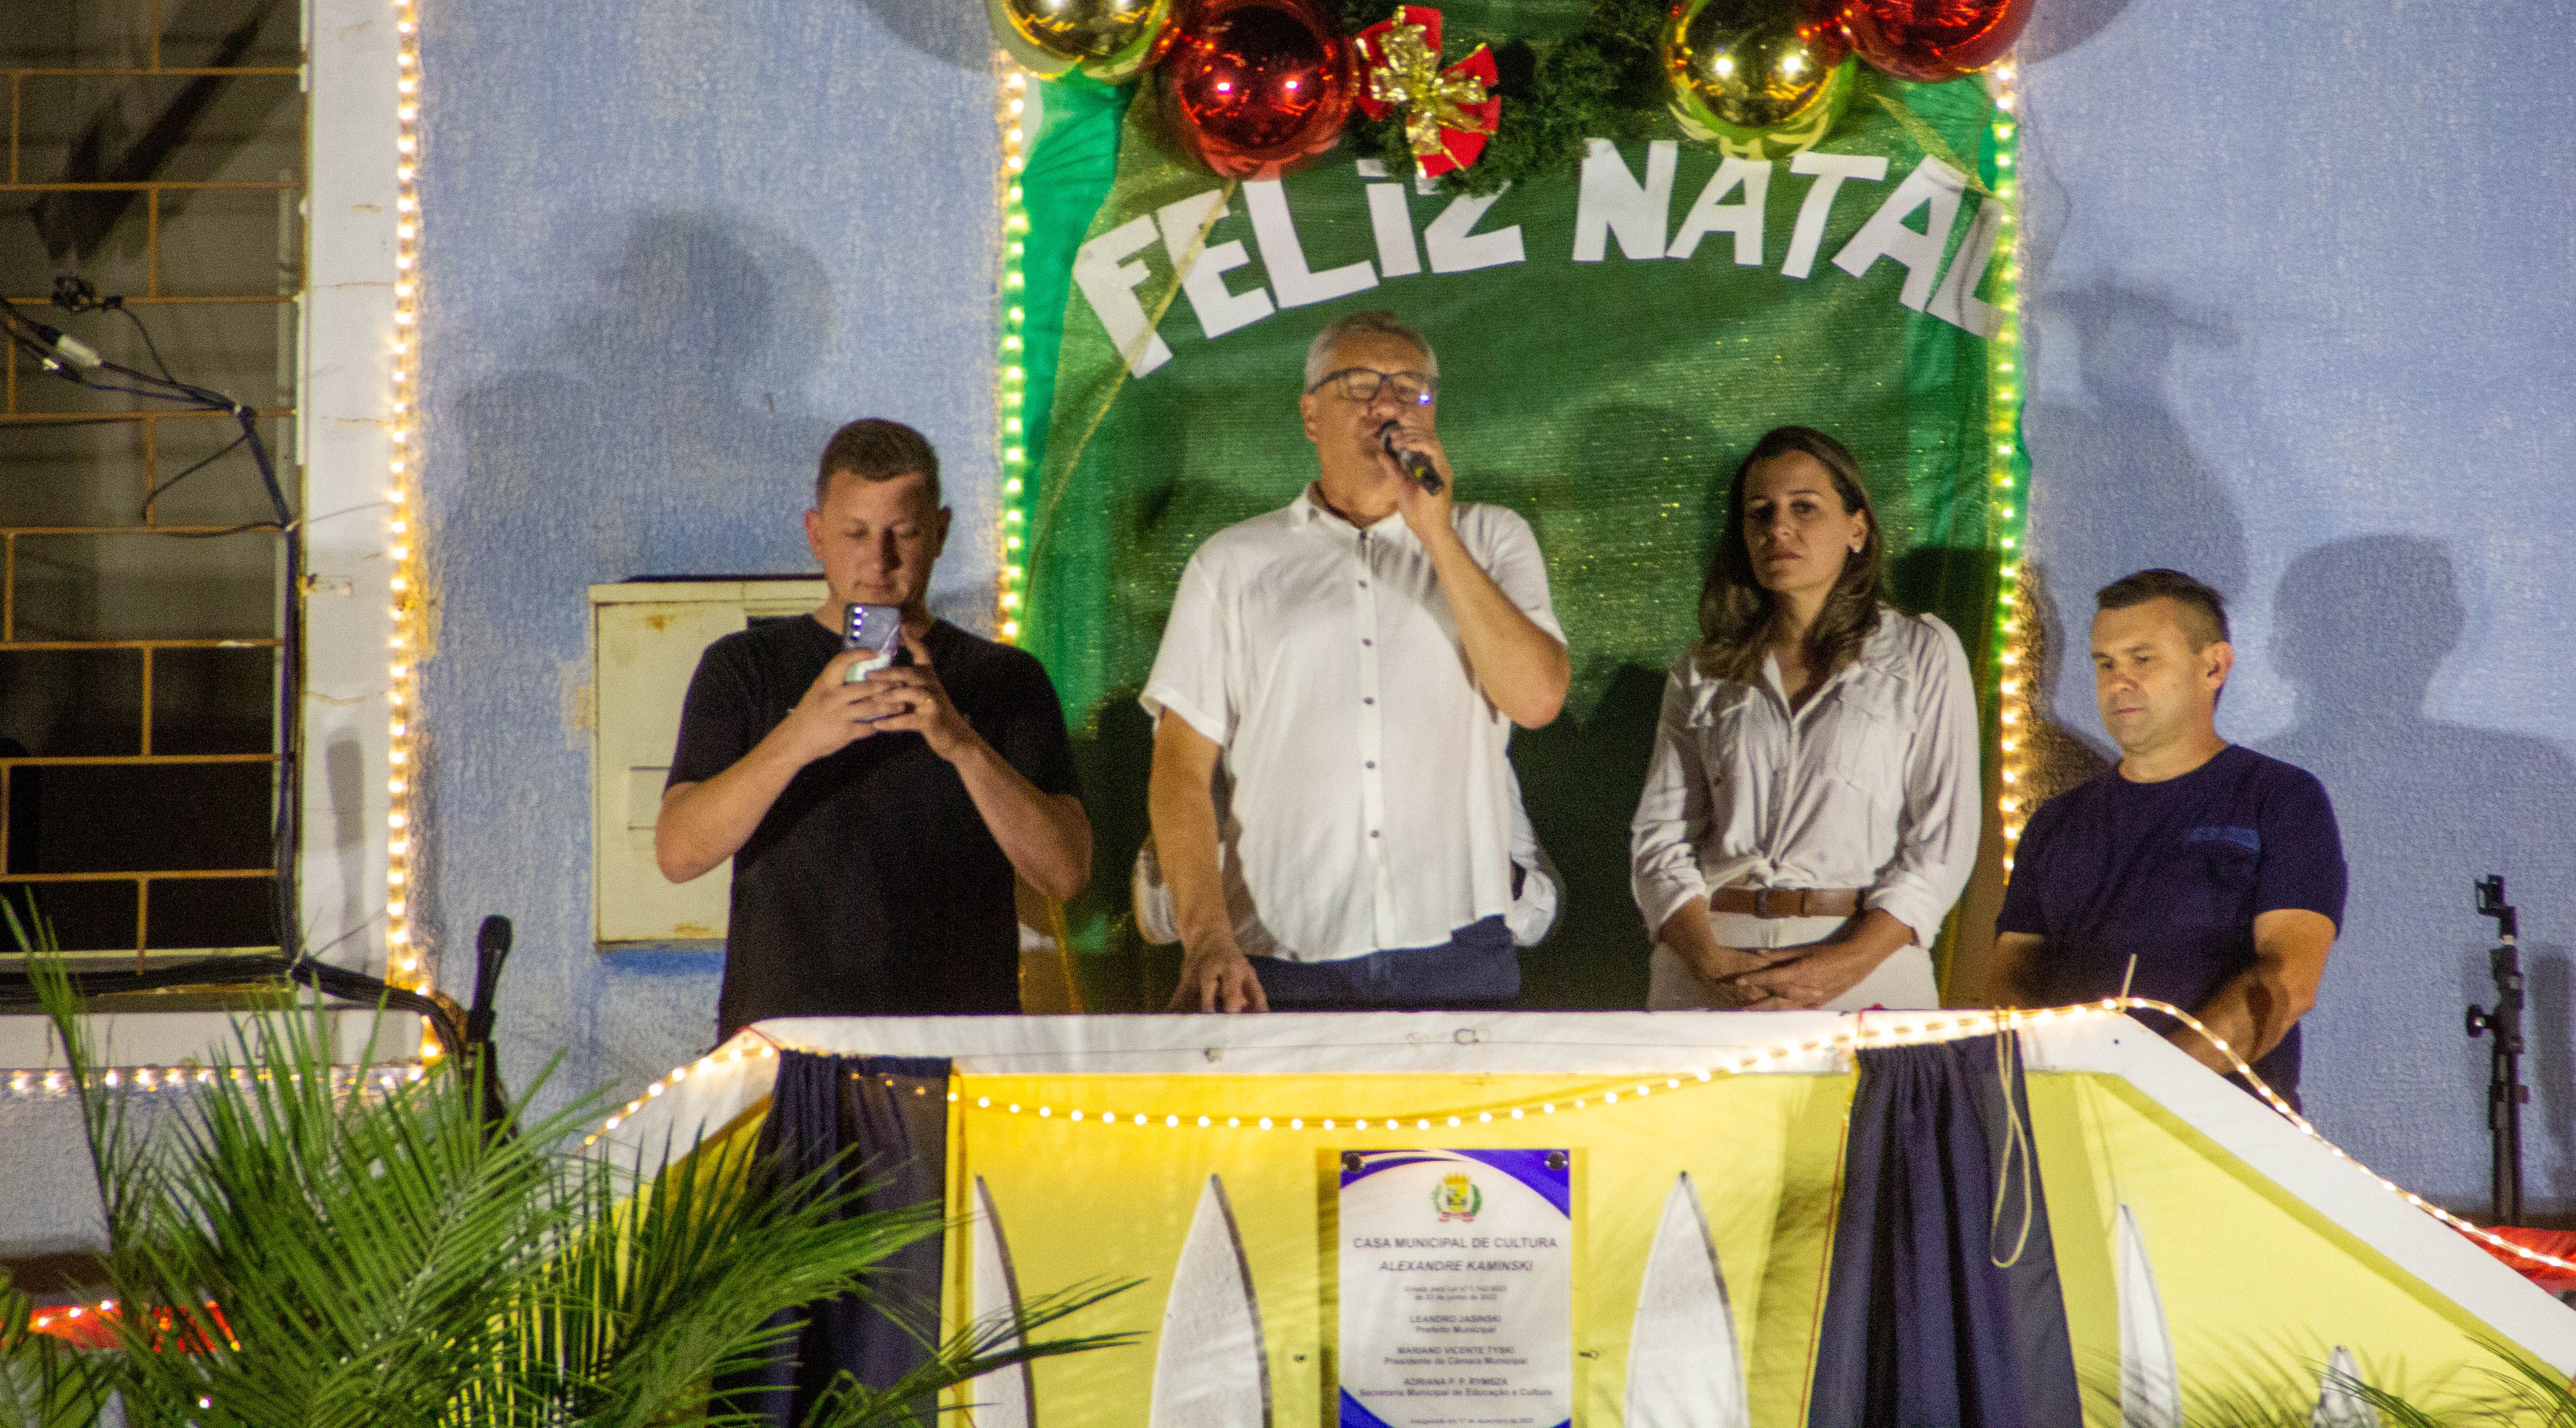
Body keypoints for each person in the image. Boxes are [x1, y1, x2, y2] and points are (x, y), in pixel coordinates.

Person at [1142, 309, 1571, 1012]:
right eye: (1361, 385)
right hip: (1278, 953)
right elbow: (1180, 769)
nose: (1388, 404)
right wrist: (1208, 936)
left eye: (1410, 388)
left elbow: (1537, 698)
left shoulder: (1491, 538)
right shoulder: (1233, 563)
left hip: (1457, 945)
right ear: (1311, 415)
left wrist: (1435, 533)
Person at [656, 419, 1091, 1040]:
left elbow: (1065, 873)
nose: (879, 560)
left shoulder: (1005, 678)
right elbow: (678, 853)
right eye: (855, 533)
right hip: (788, 1045)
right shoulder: (745, 666)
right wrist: (800, 737)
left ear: (939, 533)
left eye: (903, 533)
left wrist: (961, 743)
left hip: (959, 1044)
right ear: (816, 535)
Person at [1628, 426, 1980, 1011]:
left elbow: (1941, 844)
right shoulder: (1704, 668)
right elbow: (1659, 839)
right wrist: (1711, 962)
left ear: (1857, 529)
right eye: (1759, 513)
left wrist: (1843, 966)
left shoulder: (1921, 653)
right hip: (1710, 961)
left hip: (1866, 965)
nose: (1778, 528)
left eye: (1804, 507)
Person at [1991, 568, 2346, 1108]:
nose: (2119, 682)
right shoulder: (2056, 822)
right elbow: (2012, 977)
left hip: (2221, 1128)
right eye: (2105, 664)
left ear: (2214, 666)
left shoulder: (2279, 798)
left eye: (2143, 659)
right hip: (2064, 1122)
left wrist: (2146, 1088)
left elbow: (2290, 979)